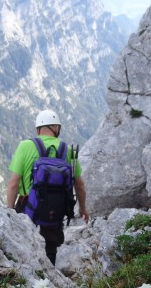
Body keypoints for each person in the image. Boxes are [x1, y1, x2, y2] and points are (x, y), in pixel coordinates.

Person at [7, 109, 90, 265]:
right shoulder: (68, 151)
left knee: (23, 247)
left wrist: (9, 211)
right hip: (56, 208)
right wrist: (83, 209)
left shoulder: (25, 146)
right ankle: (49, 275)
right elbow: (79, 185)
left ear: (38, 128)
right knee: (50, 247)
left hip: (26, 206)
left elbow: (13, 183)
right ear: (56, 128)